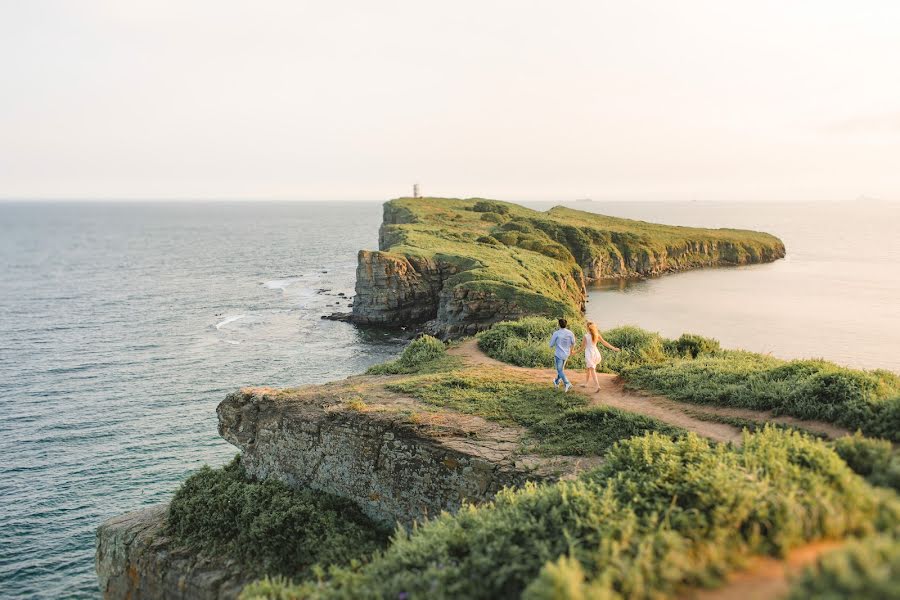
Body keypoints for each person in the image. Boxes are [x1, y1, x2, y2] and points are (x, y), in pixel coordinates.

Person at [573, 321, 621, 393]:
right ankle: (586, 383)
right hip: (596, 353)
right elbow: (605, 343)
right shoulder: (596, 334)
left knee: (592, 369)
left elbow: (581, 348)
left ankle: (597, 386)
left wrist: (574, 352)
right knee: (588, 368)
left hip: (589, 354)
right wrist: (614, 348)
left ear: (587, 328)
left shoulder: (586, 336)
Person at [548, 318, 577, 392]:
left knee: (559, 370)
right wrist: (571, 351)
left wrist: (555, 343)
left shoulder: (556, 333)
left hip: (558, 354)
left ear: (558, 324)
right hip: (566, 354)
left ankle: (567, 383)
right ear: (566, 325)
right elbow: (573, 343)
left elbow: (551, 345)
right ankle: (556, 381)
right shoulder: (570, 333)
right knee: (561, 370)